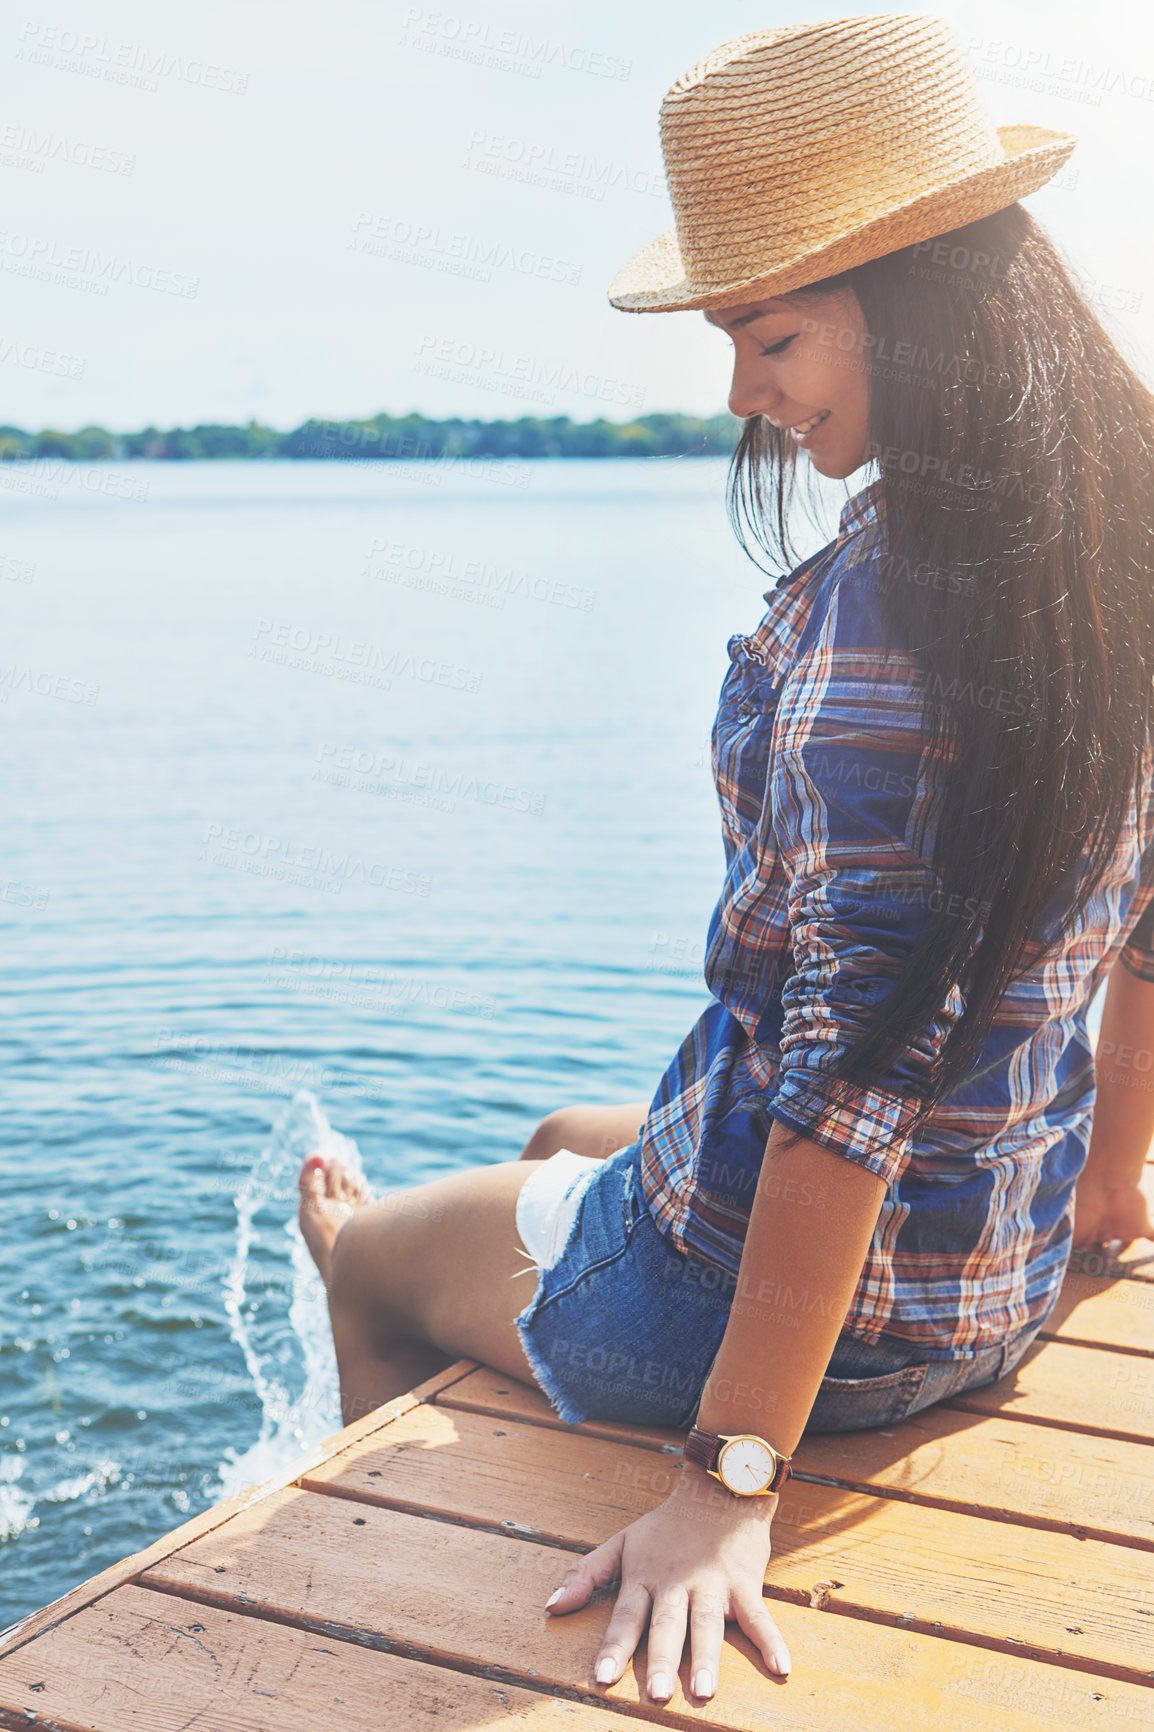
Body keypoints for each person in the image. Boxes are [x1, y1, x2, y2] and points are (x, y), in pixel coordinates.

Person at [297, 13, 1154, 1706]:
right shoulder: (1116, 539)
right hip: (997, 1261)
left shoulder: (884, 627)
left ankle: (355, 1548)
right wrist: (1106, 1201)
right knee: (560, 1131)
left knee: (386, 1258)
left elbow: (851, 1073)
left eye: (768, 336)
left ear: (914, 302)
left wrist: (727, 1482)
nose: (744, 393)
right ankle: (550, 1212)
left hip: (828, 1343)